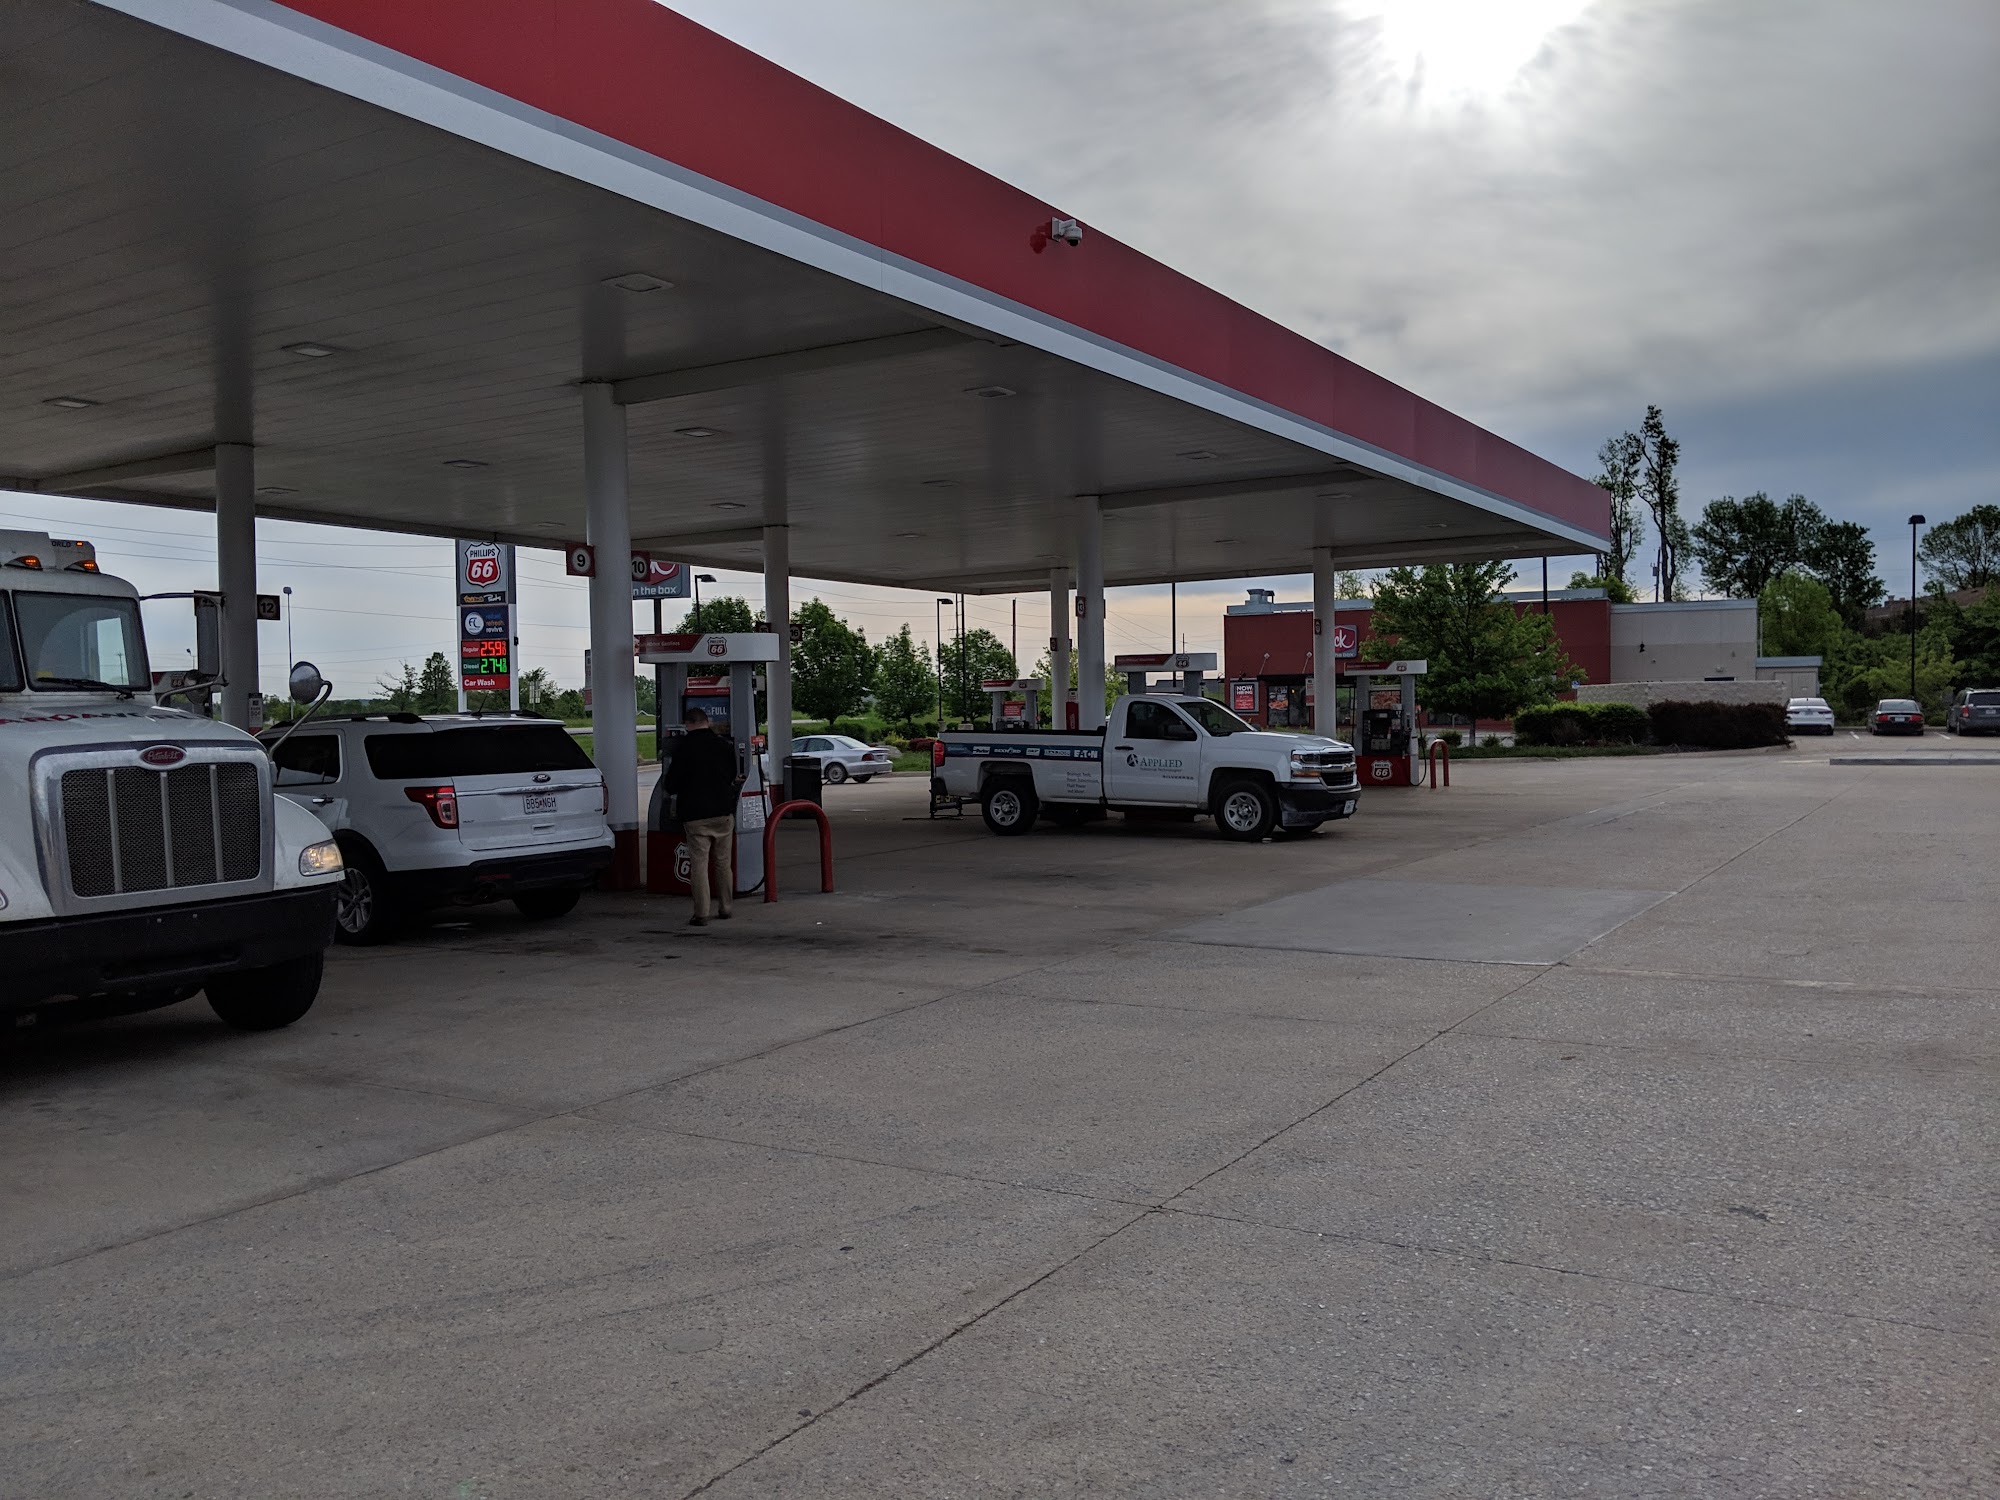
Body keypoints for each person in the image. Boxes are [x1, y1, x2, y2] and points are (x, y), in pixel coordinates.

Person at [661, 706, 741, 926]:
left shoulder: (683, 748)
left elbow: (671, 784)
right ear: (708, 722)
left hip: (695, 815)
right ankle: (726, 907)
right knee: (723, 863)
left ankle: (702, 913)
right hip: (723, 813)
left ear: (688, 724)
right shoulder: (724, 745)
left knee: (699, 864)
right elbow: (733, 775)